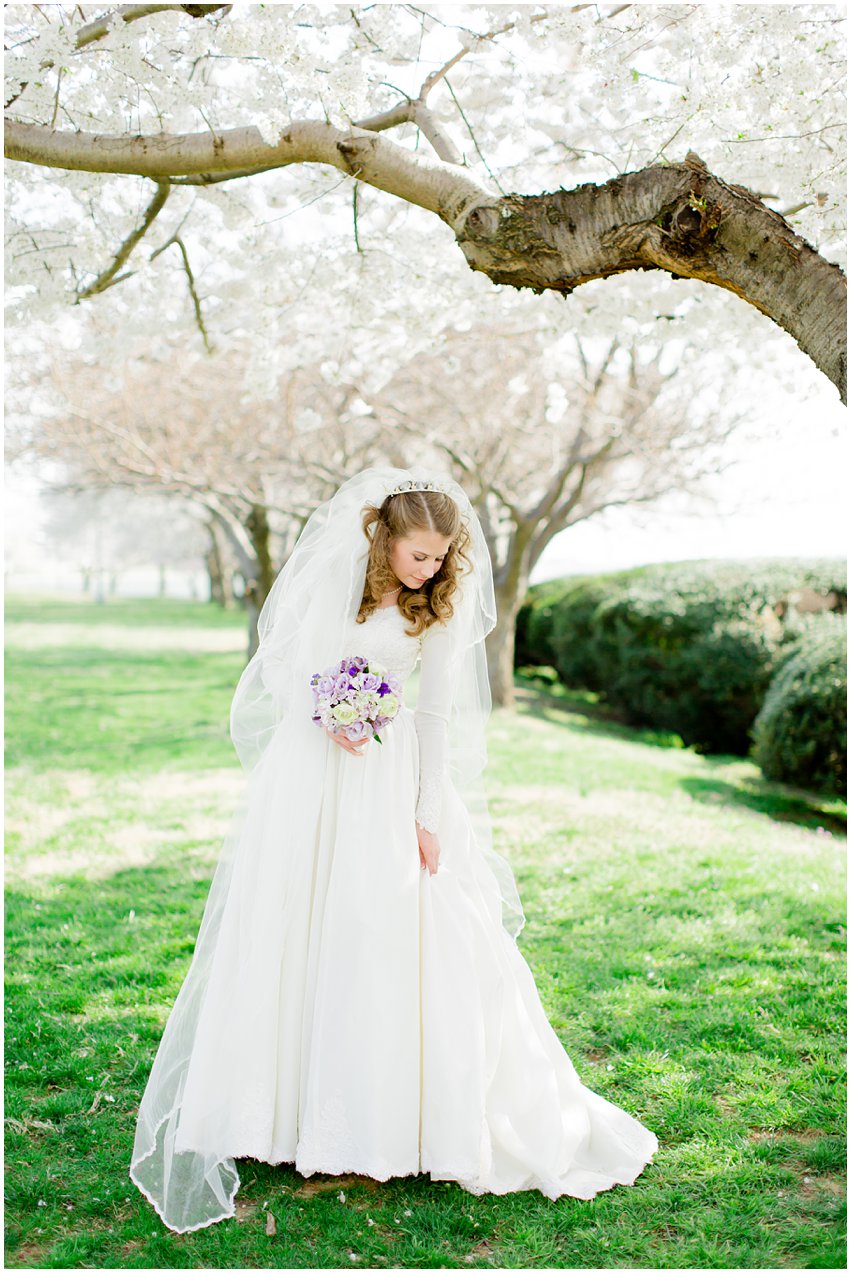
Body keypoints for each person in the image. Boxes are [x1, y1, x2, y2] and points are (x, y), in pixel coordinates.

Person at [129, 465, 658, 1234]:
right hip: (311, 780)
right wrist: (324, 705)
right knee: (291, 926)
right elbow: (284, 660)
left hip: (385, 783)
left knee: (375, 933)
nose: (432, 568)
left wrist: (426, 809)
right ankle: (275, 1116)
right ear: (383, 540)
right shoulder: (336, 586)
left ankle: (377, 1118)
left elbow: (436, 714)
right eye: (419, 555)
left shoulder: (434, 613)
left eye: (441, 557)